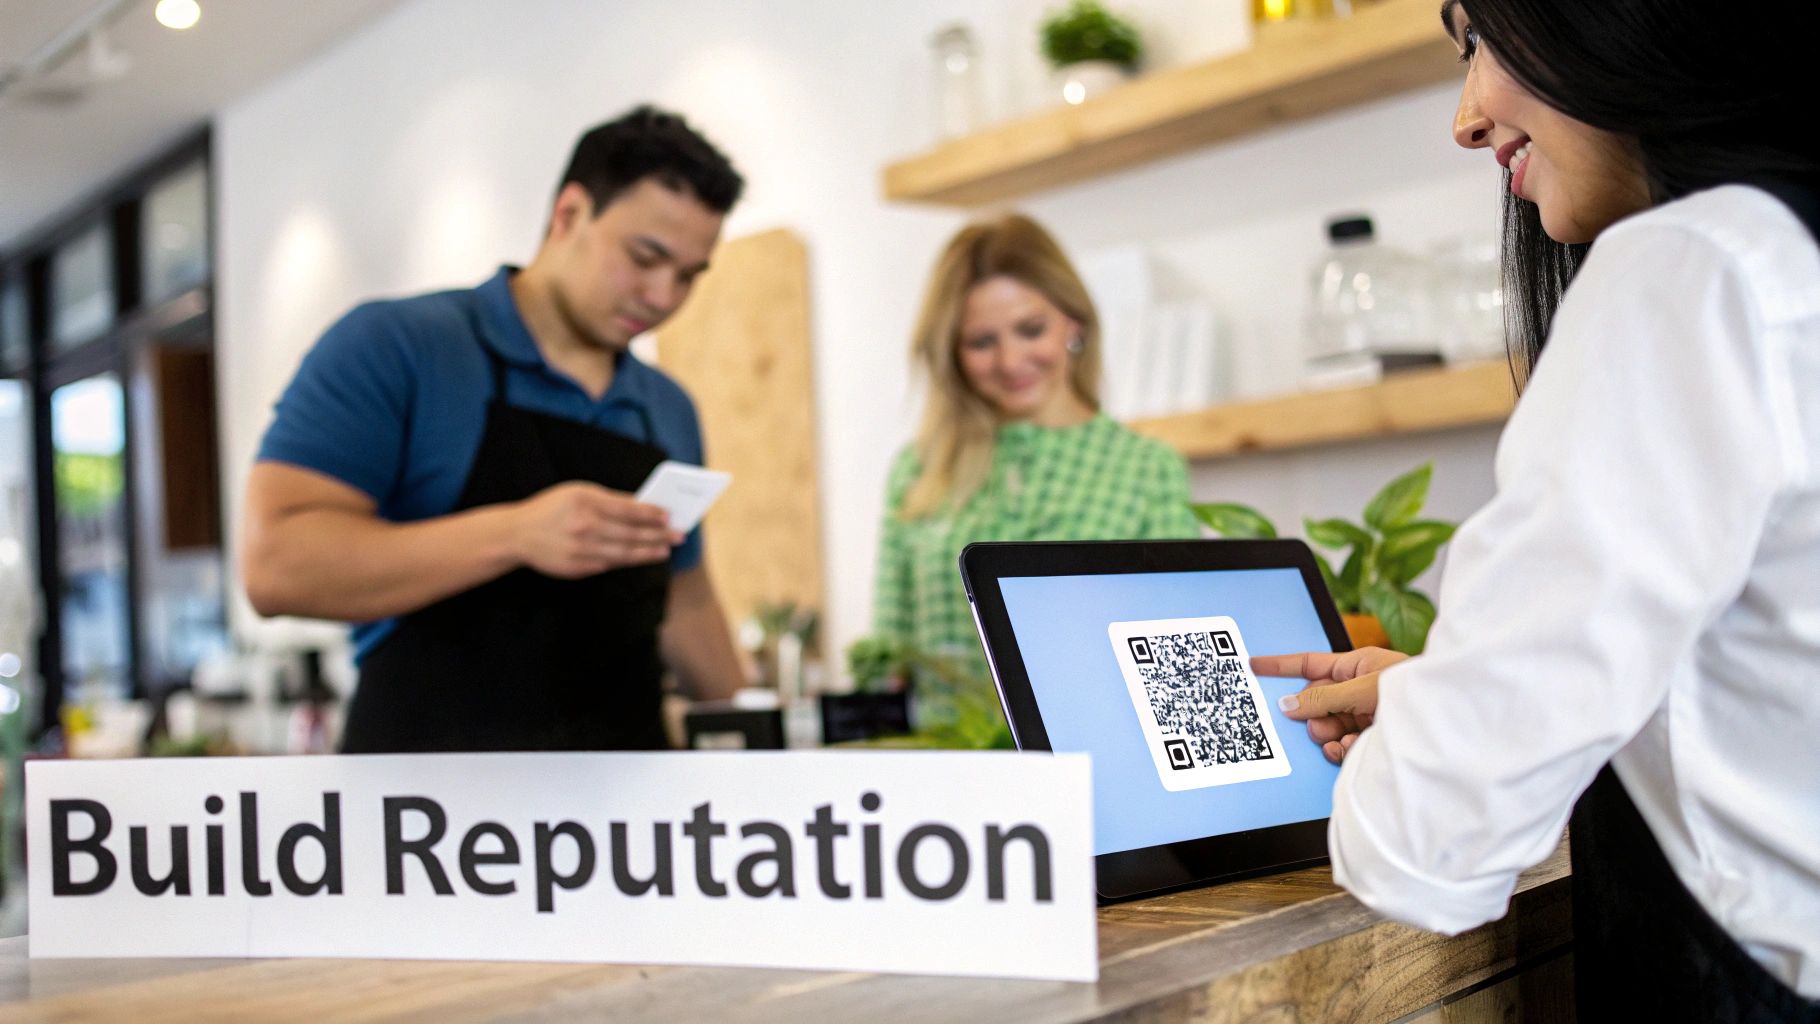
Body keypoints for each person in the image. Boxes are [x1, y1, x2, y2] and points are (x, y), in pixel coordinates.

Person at [1252, 1, 1820, 1018]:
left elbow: (1421, 846)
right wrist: (1447, 688)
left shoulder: (1694, 266)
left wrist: (1445, 723)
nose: (1466, 119)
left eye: (1479, 42)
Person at [242, 106, 748, 753]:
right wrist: (515, 534)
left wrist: (763, 733)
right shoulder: (399, 348)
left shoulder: (667, 407)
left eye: (687, 276)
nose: (662, 297)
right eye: (645, 257)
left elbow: (686, 596)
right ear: (569, 214)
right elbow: (276, 566)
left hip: (626, 814)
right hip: (427, 810)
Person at [874, 214, 1199, 735]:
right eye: (981, 342)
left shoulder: (1147, 468)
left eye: (1031, 330)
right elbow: (885, 661)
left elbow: (1177, 655)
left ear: (1074, 322)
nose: (1010, 360)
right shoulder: (917, 470)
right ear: (952, 352)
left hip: (1091, 767)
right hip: (943, 772)